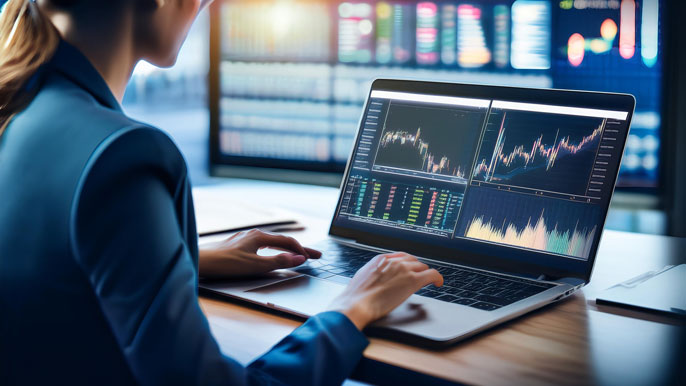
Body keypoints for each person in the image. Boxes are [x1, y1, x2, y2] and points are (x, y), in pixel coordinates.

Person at [0, 1, 444, 385]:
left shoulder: (16, 106)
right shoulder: (122, 154)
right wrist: (350, 308)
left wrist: (189, 257)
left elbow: (50, 271)